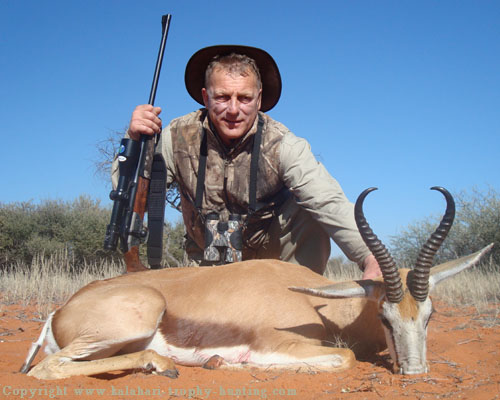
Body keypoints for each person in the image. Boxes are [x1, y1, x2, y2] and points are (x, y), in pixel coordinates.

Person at [113, 45, 381, 279]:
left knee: (311, 209)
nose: (233, 109)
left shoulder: (283, 144)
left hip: (271, 263)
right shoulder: (175, 137)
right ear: (205, 97)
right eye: (221, 97)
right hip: (206, 264)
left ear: (259, 99)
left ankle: (300, 298)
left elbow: (329, 201)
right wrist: (135, 141)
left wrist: (370, 259)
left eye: (244, 98)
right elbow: (131, 196)